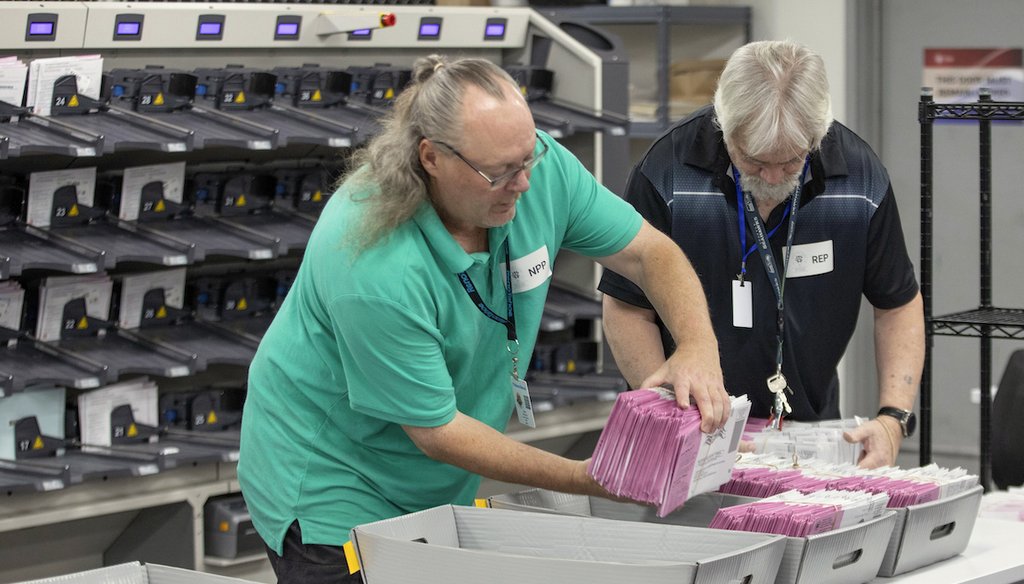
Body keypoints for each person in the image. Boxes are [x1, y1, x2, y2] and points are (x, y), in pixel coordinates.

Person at [237, 54, 731, 584]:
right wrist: (588, 478)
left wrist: (697, 346)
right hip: (334, 481)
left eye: (528, 158)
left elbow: (648, 254)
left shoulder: (535, 169)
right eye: (499, 173)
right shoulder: (372, 261)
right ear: (431, 158)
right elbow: (438, 431)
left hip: (435, 477)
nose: (522, 183)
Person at [599, 40, 924, 470]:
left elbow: (898, 304)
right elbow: (625, 306)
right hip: (686, 429)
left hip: (807, 436)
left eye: (791, 162)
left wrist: (893, 418)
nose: (772, 178)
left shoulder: (860, 177)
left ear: (817, 135)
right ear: (724, 126)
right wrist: (667, 418)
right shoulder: (667, 169)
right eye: (753, 161)